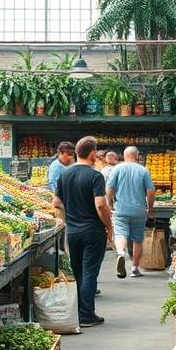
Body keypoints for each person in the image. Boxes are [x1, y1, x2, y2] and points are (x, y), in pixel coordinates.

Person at [53, 136, 113, 326]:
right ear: (93, 153)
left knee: (78, 271)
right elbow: (101, 205)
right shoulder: (96, 176)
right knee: (89, 272)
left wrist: (69, 215)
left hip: (73, 231)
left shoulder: (65, 175)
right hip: (93, 231)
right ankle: (87, 314)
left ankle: (77, 312)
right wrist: (109, 226)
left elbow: (56, 202)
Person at [106, 146, 155, 279]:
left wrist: (110, 204)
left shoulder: (117, 169)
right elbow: (150, 191)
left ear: (124, 155)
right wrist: (150, 208)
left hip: (120, 208)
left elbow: (109, 188)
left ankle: (121, 253)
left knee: (120, 233)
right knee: (137, 239)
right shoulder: (143, 170)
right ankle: (135, 268)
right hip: (139, 210)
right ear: (137, 155)